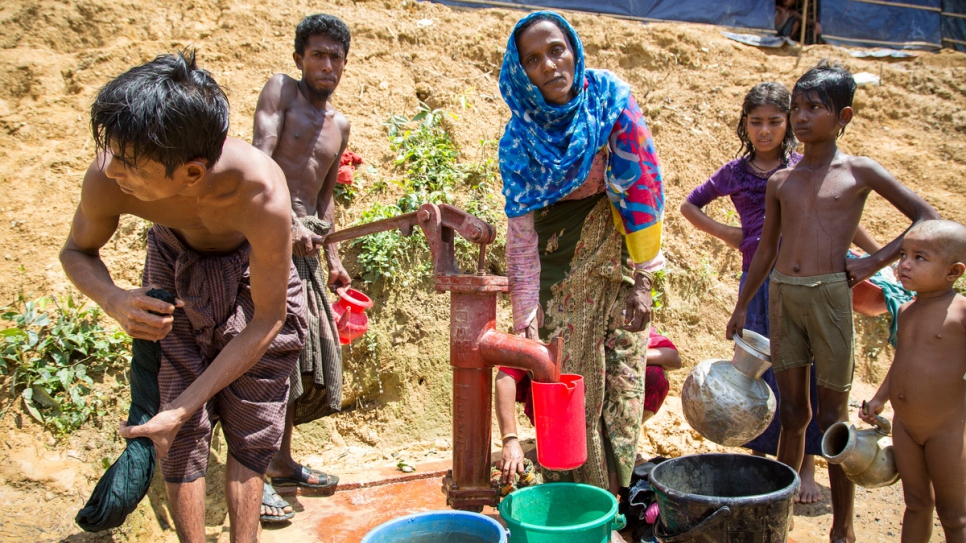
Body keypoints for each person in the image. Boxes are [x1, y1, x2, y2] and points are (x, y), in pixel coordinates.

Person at [59, 51, 308, 542]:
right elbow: (77, 252)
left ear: (191, 174)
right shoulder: (109, 175)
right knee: (179, 436)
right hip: (172, 268)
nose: (111, 170)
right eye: (110, 150)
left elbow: (267, 320)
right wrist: (113, 298)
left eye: (128, 163)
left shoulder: (260, 194)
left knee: (252, 425)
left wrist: (180, 407)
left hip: (252, 278)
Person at [725, 60, 939, 542]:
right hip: (783, 296)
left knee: (833, 417)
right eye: (796, 108)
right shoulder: (782, 181)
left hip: (830, 300)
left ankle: (842, 529)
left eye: (813, 108)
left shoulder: (858, 172)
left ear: (842, 116)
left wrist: (873, 261)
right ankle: (774, 518)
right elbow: (765, 249)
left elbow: (925, 216)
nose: (800, 118)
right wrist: (742, 306)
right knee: (792, 413)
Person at [681, 82, 881, 503]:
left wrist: (877, 255)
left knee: (802, 378)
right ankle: (759, 460)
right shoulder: (737, 173)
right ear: (745, 125)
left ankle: (805, 465)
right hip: (757, 283)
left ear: (788, 122)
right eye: (757, 122)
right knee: (757, 374)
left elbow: (842, 211)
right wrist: (734, 235)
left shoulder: (800, 165)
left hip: (807, 279)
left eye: (775, 120)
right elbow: (690, 204)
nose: (766, 130)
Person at [498, 11, 665, 495]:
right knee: (570, 395)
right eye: (533, 59)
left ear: (573, 48)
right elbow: (522, 239)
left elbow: (642, 190)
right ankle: (575, 505)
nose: (549, 65)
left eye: (556, 49)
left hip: (621, 270)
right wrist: (525, 312)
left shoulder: (610, 102)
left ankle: (613, 500)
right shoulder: (518, 141)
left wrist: (644, 281)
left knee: (624, 390)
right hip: (559, 282)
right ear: (521, 73)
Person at [252, 13, 351, 521]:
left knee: (297, 357)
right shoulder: (280, 93)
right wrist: (283, 226)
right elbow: (259, 165)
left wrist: (334, 259)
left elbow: (325, 200)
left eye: (336, 57)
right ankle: (257, 471)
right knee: (266, 360)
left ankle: (282, 462)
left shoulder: (341, 125)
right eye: (317, 54)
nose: (327, 64)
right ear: (299, 59)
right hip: (265, 243)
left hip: (308, 251)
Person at [860, 219, 966, 543]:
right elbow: (901, 363)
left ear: (954, 272)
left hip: (946, 430)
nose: (904, 264)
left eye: (919, 258)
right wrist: (880, 399)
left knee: (954, 515)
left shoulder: (960, 313)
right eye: (903, 255)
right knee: (916, 503)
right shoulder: (905, 310)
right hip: (905, 427)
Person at [495, 328, 680, 484]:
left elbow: (673, 357)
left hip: (605, 408)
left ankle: (617, 443)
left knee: (654, 376)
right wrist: (509, 440)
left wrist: (624, 358)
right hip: (557, 405)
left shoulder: (615, 315)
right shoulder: (539, 320)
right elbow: (505, 377)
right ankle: (550, 444)